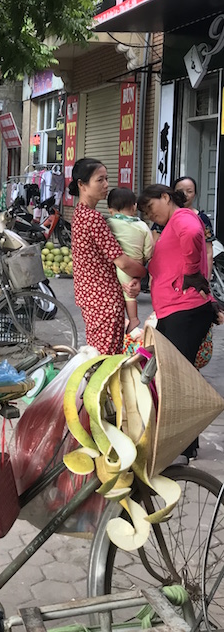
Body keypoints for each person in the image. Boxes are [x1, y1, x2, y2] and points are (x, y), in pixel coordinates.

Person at [137, 183, 218, 461]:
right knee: (175, 376)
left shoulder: (182, 217)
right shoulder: (172, 223)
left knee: (176, 379)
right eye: (145, 212)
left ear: (165, 197)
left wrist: (192, 271)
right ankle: (186, 444)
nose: (150, 214)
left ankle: (182, 448)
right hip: (176, 310)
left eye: (151, 207)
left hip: (185, 311)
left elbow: (195, 234)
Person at [69, 158, 147, 355]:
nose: (106, 185)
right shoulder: (93, 218)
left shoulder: (80, 213)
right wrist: (144, 271)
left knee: (96, 355)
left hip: (89, 295)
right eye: (100, 180)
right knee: (105, 359)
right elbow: (121, 261)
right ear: (82, 185)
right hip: (103, 299)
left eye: (107, 179)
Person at [107, 187, 154, 335]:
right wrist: (144, 258)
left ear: (110, 209)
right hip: (138, 262)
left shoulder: (110, 224)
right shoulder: (142, 225)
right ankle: (132, 318)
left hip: (123, 264)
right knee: (130, 292)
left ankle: (133, 319)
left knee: (128, 293)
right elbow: (150, 248)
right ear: (134, 206)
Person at [173, 176, 214, 278]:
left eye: (189, 191)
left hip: (194, 274)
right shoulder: (165, 217)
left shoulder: (202, 219)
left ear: (195, 194)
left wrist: (206, 279)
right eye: (180, 191)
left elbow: (208, 251)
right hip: (170, 272)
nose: (185, 195)